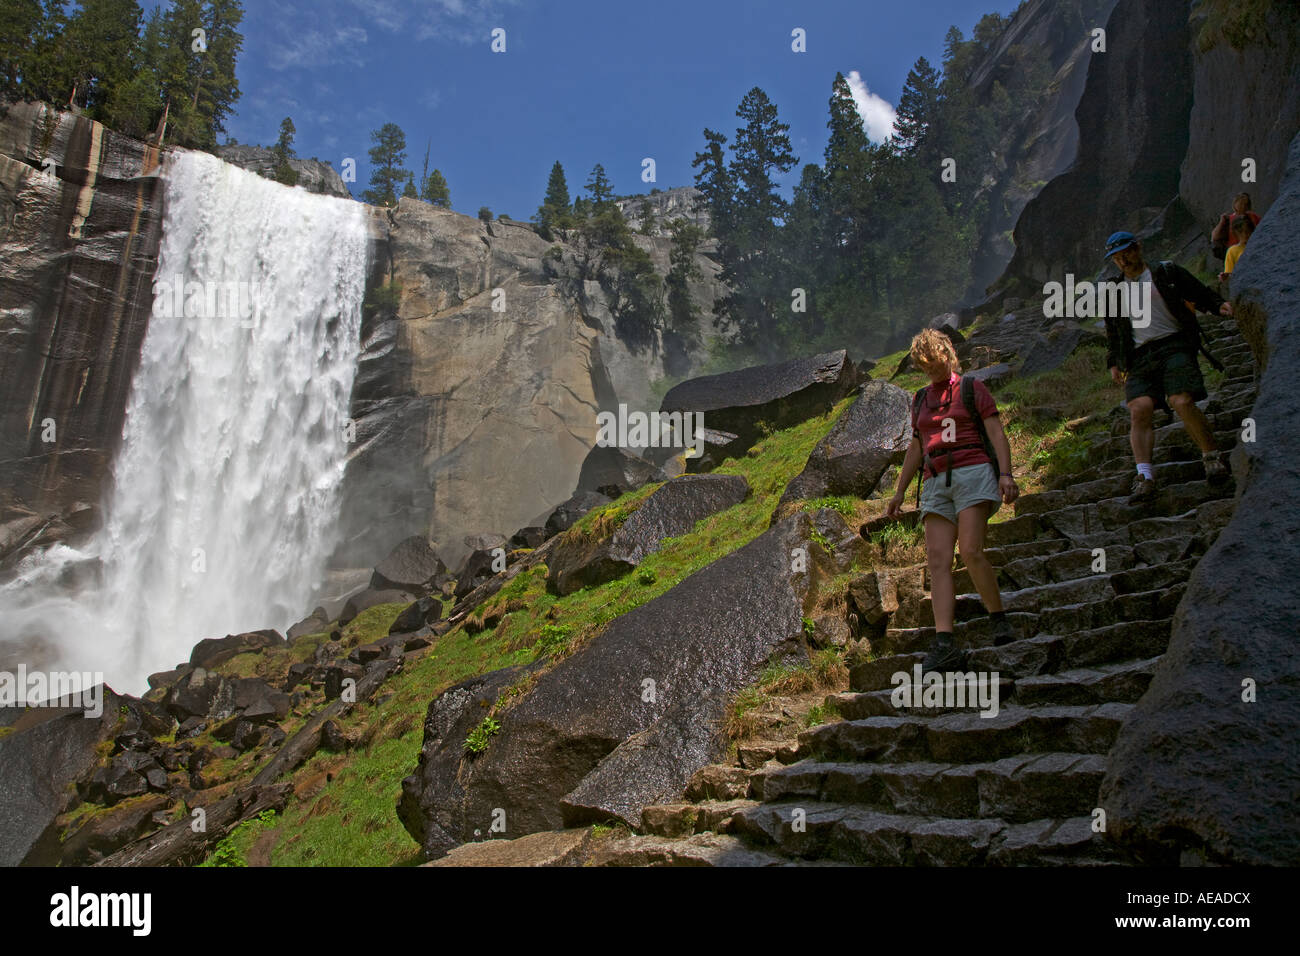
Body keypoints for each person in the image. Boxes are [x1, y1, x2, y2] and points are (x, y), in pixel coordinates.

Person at [885, 329, 1019, 671]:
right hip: (934, 481)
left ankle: (998, 619)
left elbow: (995, 433)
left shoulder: (972, 388)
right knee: (937, 560)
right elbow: (916, 446)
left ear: (948, 354)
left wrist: (1006, 474)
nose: (932, 371)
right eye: (925, 367)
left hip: (972, 471)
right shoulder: (919, 399)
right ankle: (945, 642)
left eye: (936, 363)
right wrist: (899, 492)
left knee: (971, 550)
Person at [1101, 231, 1234, 501]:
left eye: (1126, 252)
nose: (1122, 259)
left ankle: (1211, 456)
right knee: (1139, 409)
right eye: (1116, 257)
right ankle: (1145, 476)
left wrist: (1218, 305)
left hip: (1174, 344)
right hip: (1139, 356)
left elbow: (1197, 291)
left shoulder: (1166, 272)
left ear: (1138, 247)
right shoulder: (1114, 291)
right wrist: (1114, 361)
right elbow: (1113, 331)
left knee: (1181, 400)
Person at [1211, 192, 1261, 260]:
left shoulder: (1252, 216)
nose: (1243, 206)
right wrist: (1221, 222)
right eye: (1241, 203)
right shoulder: (1228, 219)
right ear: (1235, 204)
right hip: (1237, 253)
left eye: (1245, 204)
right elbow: (1214, 237)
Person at [1219, 215, 1255, 281]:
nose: (1245, 234)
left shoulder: (1258, 244)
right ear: (1236, 234)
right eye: (1240, 232)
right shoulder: (1232, 251)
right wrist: (1225, 277)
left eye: (1247, 231)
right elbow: (1231, 275)